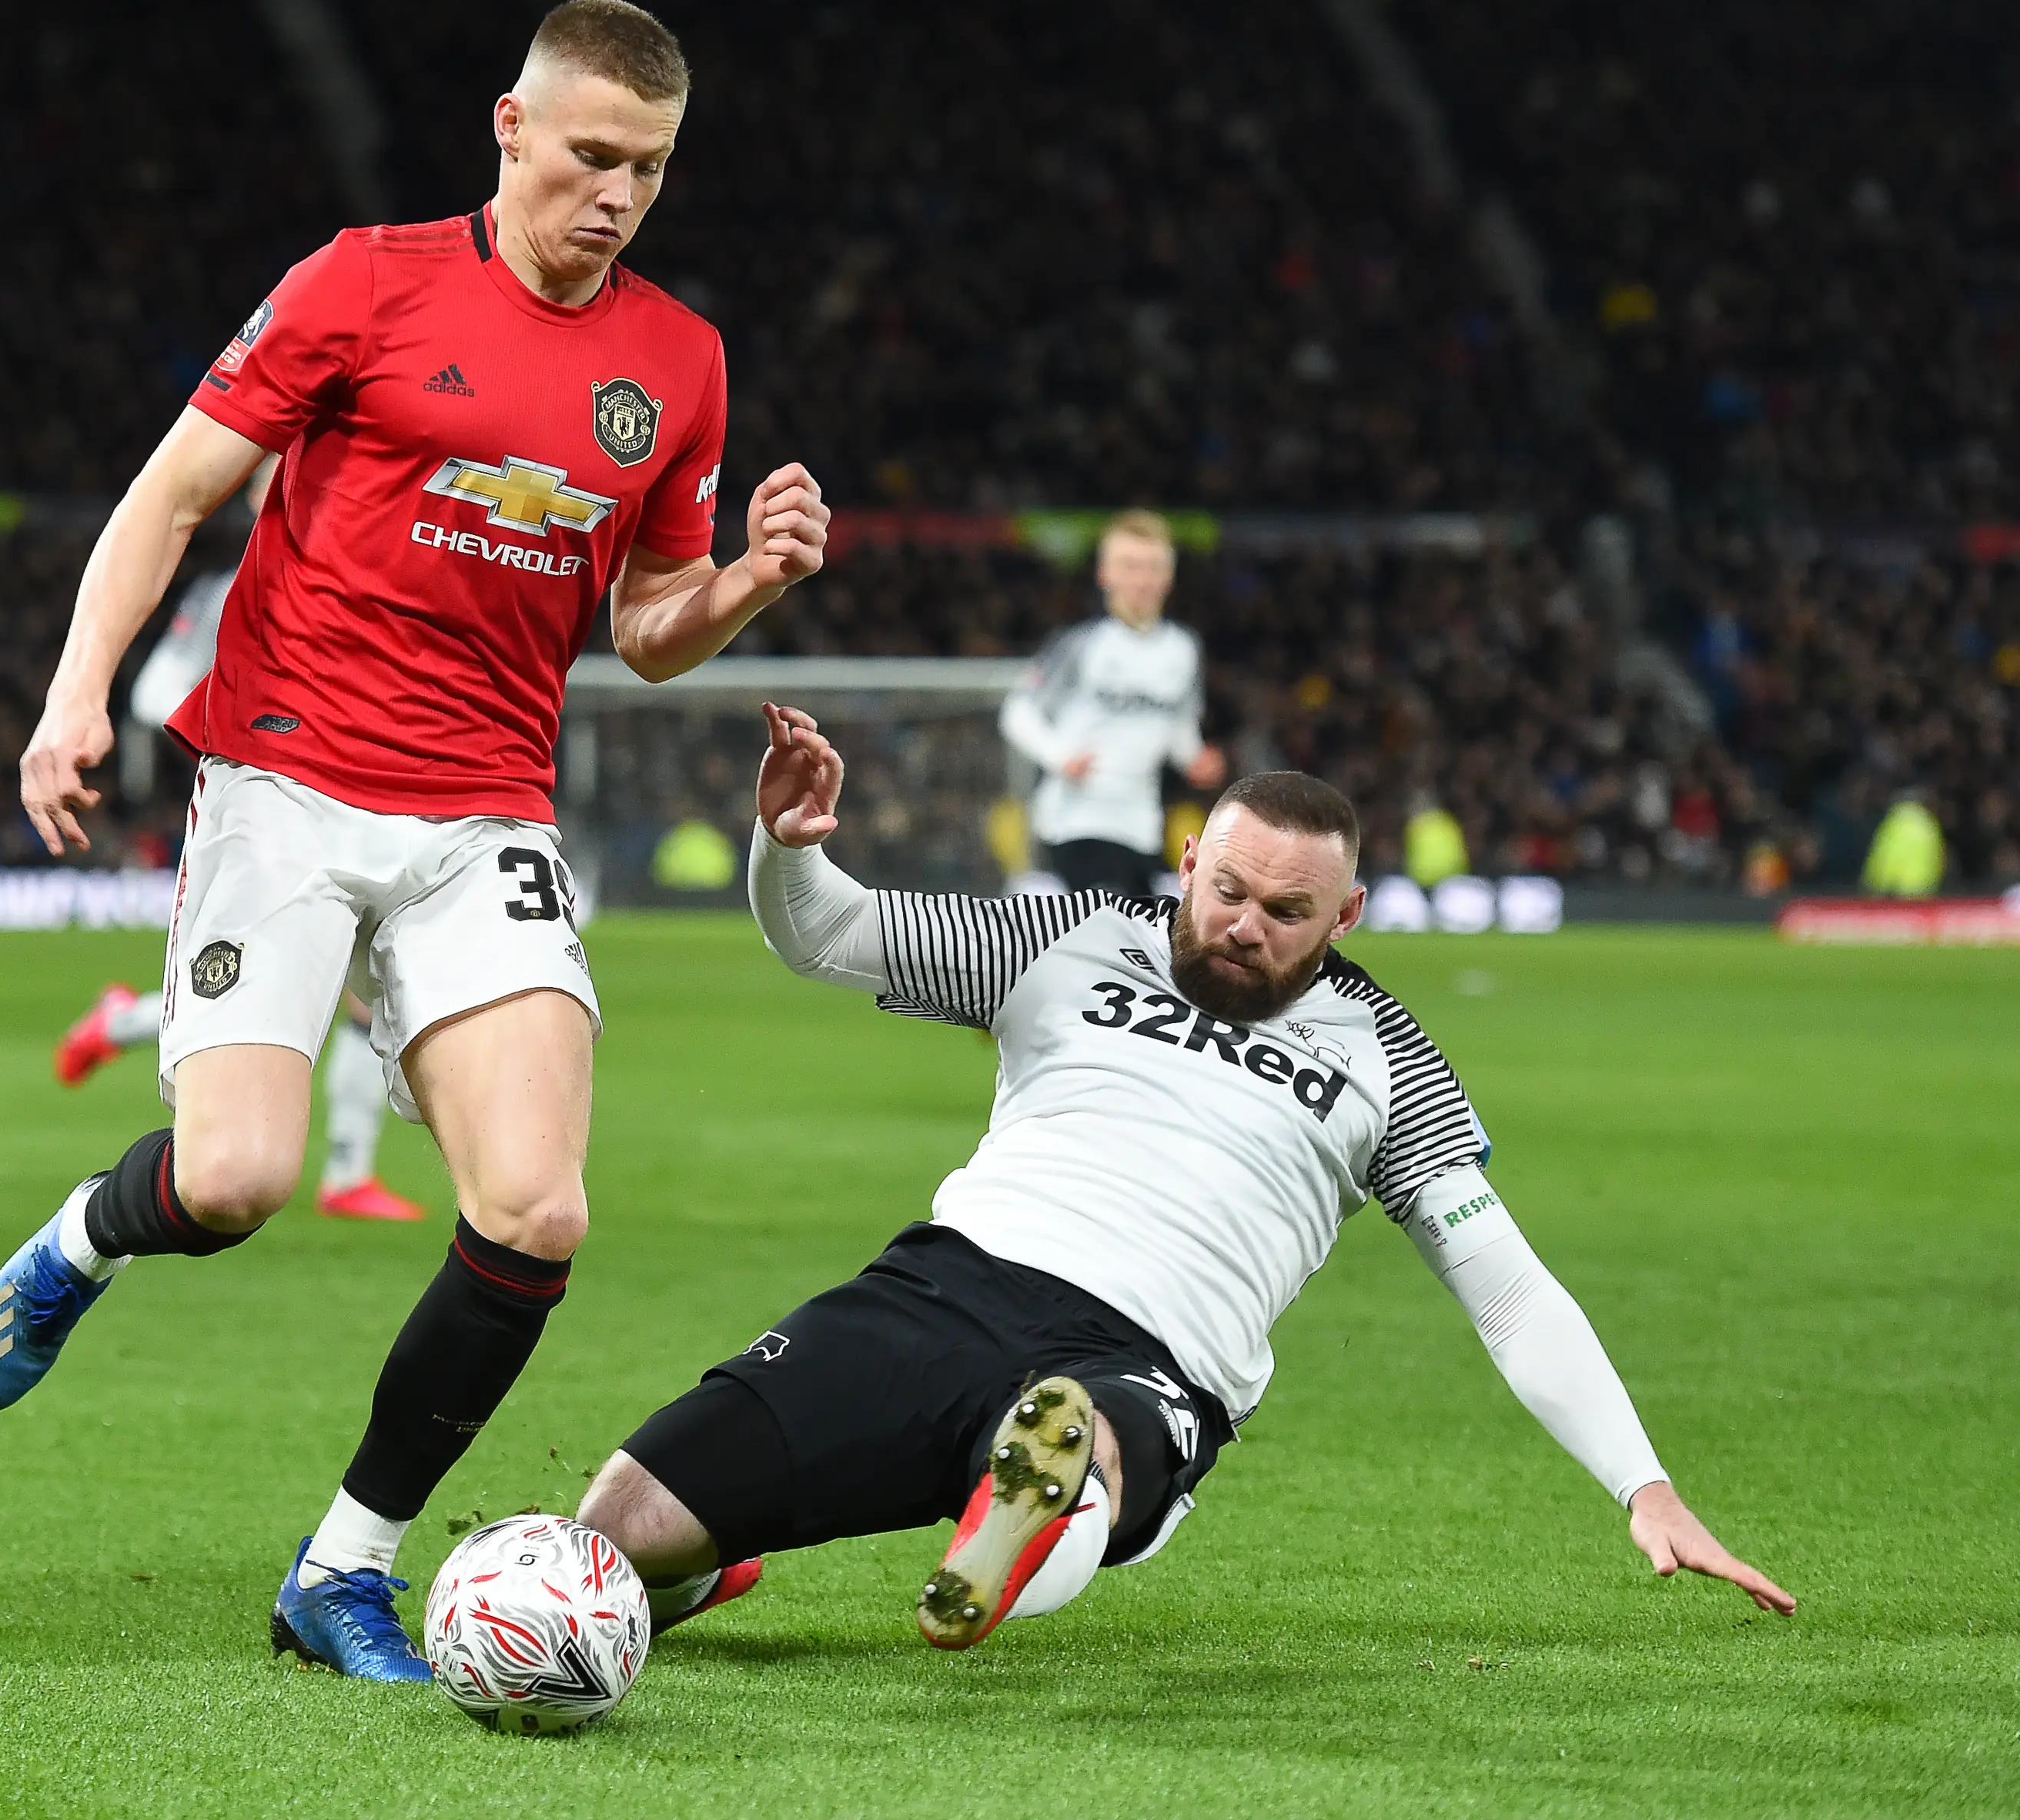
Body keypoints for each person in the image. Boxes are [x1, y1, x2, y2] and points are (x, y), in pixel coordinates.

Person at [0, 0, 831, 1684]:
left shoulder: (679, 363)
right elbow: (169, 496)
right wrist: (79, 697)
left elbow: (647, 628)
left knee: (538, 1211)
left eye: (648, 169)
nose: (618, 196)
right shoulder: (362, 280)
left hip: (484, 809)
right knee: (232, 1184)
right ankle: (85, 1237)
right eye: (591, 156)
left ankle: (341, 1568)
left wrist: (747, 584)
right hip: (286, 779)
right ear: (509, 129)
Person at [577, 705, 1794, 1647]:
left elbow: (1510, 1290)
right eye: (1225, 889)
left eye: (1286, 909)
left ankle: (1034, 1509)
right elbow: (829, 932)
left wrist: (1646, 1486)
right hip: (939, 1290)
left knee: (1078, 1452)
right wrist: (784, 846)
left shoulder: (1390, 1059)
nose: (1244, 924)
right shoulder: (1068, 936)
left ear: (1348, 914)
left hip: (1149, 1357)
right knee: (611, 1532)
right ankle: (695, 1567)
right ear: (1190, 855)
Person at [56, 479, 424, 1220]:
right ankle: (346, 1173)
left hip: (354, 796)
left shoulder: (371, 582)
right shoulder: (234, 589)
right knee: (287, 989)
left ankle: (347, 1172)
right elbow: (157, 692)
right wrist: (240, 737)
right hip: (261, 799)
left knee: (334, 988)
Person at [998, 510, 1226, 898]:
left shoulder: (1183, 650)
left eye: (1152, 567)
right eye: (1129, 566)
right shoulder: (1082, 644)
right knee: (1113, 927)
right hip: (1078, 820)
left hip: (1141, 823)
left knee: (1147, 938)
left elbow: (1177, 726)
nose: (1142, 578)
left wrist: (1194, 758)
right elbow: (1017, 712)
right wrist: (1060, 756)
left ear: (1168, 577)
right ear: (1106, 574)